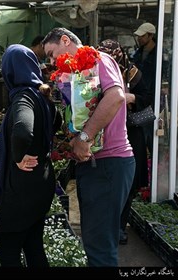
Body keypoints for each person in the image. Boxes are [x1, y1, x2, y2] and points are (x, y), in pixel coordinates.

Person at [42, 27, 135, 267]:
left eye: (52, 54)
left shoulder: (99, 60)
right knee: (96, 239)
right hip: (95, 164)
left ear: (65, 40)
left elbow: (116, 97)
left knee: (100, 246)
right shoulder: (75, 72)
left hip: (108, 162)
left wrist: (84, 137)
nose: (52, 61)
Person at [0, 44, 60, 267]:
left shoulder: (23, 98)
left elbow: (22, 129)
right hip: (41, 182)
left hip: (22, 189)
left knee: (7, 246)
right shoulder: (42, 95)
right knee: (33, 245)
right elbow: (56, 122)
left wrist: (19, 156)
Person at [97, 39, 152, 245]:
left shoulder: (132, 73)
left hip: (131, 133)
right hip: (106, 131)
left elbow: (147, 98)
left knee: (127, 185)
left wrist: (129, 98)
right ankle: (106, 225)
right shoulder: (94, 70)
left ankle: (119, 226)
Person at [133, 23, 157, 157]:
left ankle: (153, 161)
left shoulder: (159, 54)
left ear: (151, 35)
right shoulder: (137, 53)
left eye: (142, 36)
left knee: (151, 132)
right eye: (139, 36)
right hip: (139, 97)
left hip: (152, 98)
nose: (139, 39)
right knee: (141, 133)